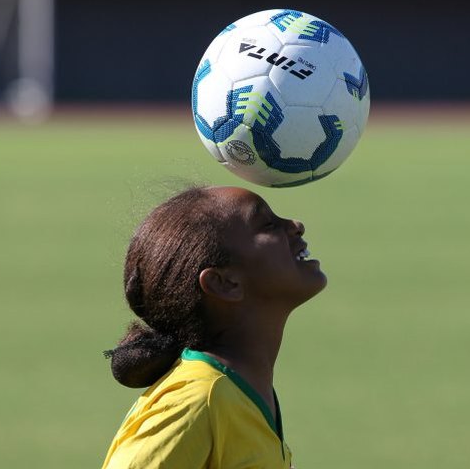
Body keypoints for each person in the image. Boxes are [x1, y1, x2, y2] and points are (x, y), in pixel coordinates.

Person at [100, 185, 327, 469]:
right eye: (268, 225)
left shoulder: (239, 390)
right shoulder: (194, 403)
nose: (296, 225)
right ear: (225, 283)